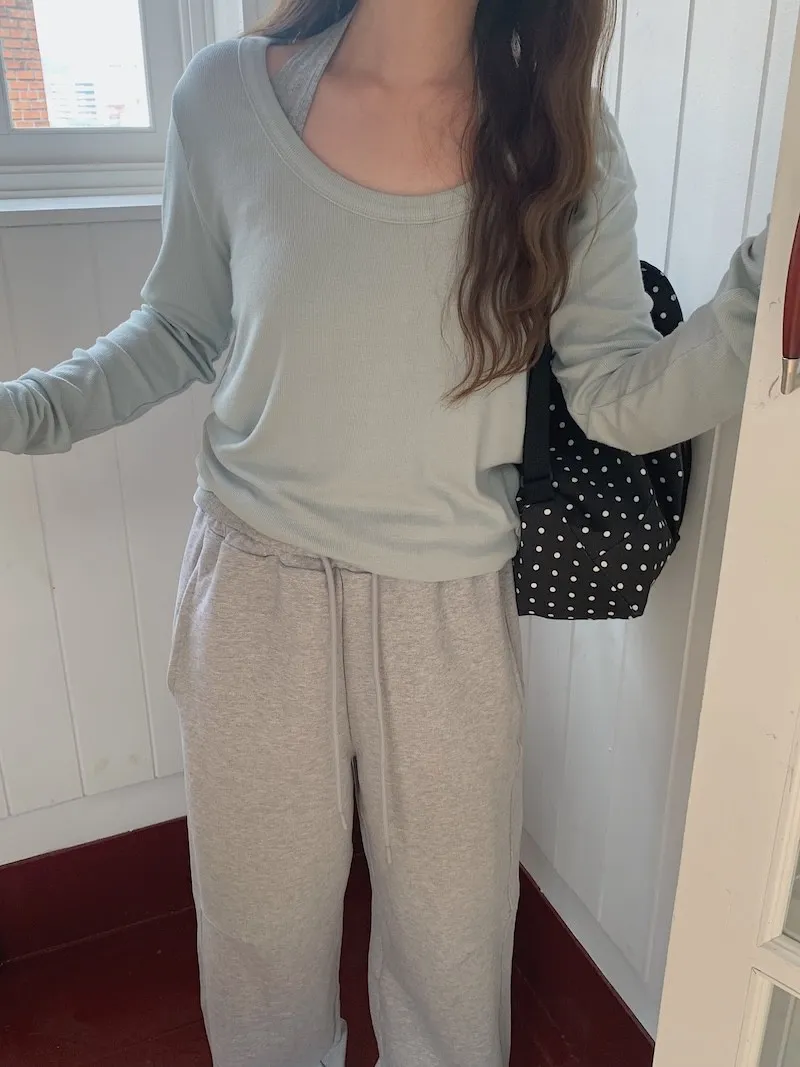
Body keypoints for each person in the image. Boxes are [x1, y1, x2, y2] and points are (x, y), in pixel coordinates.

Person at [0, 2, 767, 1065]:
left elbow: (614, 393)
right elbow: (178, 327)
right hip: (254, 593)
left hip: (444, 610)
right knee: (259, 947)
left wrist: (759, 301)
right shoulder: (225, 98)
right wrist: (26, 411)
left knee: (452, 957)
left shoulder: (561, 136)